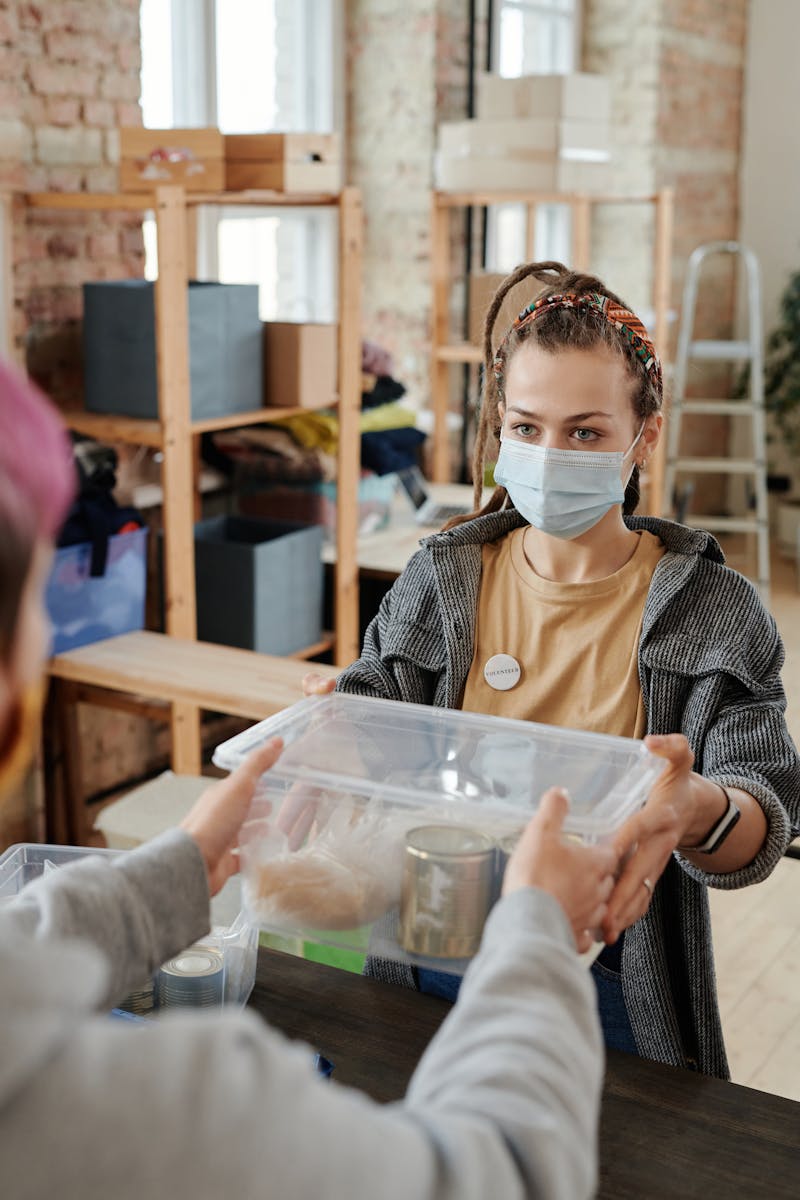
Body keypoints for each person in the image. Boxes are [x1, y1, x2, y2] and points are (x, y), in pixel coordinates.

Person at [0, 356, 619, 1199]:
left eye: (585, 430)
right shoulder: (152, 1112)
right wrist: (539, 929)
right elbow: (499, 1173)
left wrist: (177, 868)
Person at [306, 261, 800, 1079]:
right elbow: (372, 710)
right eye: (528, 427)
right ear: (499, 423)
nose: (549, 453)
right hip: (435, 943)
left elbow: (764, 815)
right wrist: (332, 733)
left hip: (608, 979)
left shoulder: (715, 612)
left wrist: (695, 806)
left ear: (644, 435)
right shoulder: (443, 579)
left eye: (586, 432)